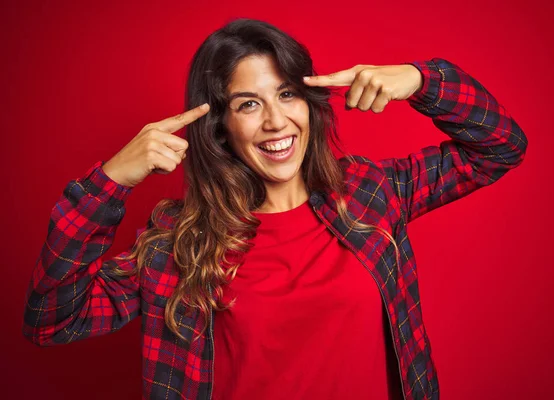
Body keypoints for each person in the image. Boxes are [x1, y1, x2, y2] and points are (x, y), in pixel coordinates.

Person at [22, 17, 528, 400]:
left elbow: (501, 145)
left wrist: (422, 79)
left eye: (287, 94)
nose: (275, 121)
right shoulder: (181, 242)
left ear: (310, 101)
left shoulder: (372, 194)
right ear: (220, 126)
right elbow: (51, 320)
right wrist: (108, 183)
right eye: (248, 104)